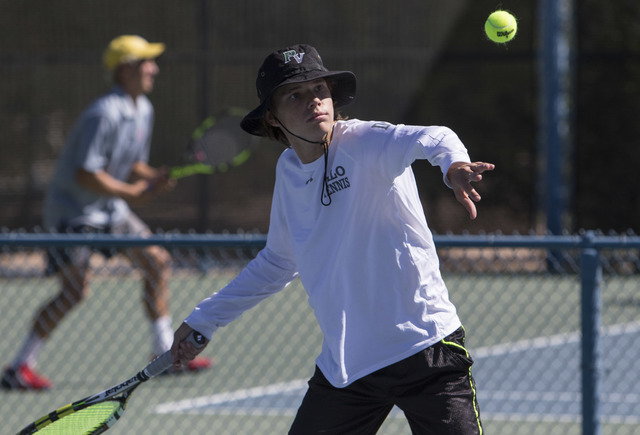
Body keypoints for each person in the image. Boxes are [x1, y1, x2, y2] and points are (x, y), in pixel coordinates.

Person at [171, 44, 493, 434]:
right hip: (348, 369)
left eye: (319, 90)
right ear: (272, 119)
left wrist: (454, 165)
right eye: (296, 95)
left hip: (426, 351)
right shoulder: (288, 172)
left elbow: (434, 137)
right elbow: (277, 262)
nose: (314, 102)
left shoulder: (367, 141)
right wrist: (205, 318)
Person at [1, 35, 211, 391]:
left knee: (156, 261)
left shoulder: (144, 109)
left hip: (110, 209)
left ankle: (164, 352)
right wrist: (132, 192)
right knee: (74, 291)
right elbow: (87, 172)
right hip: (73, 213)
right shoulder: (103, 113)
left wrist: (153, 177)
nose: (154, 69)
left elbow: (132, 165)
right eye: (147, 62)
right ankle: (19, 366)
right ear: (126, 68)